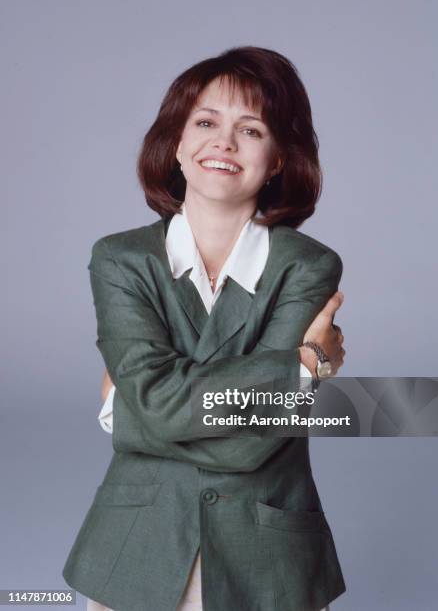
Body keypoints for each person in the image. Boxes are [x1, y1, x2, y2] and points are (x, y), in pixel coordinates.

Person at [63, 46, 346, 611]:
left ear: (280, 159)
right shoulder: (120, 260)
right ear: (176, 142)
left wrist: (136, 415)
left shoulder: (308, 267)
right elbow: (254, 406)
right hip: (134, 549)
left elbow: (249, 442)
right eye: (206, 122)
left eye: (251, 129)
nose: (224, 142)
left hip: (269, 557)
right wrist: (302, 368)